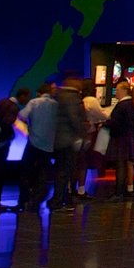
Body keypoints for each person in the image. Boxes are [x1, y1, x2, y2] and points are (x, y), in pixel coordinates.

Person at [0, 87, 29, 212]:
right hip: (3, 142)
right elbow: (7, 122)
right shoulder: (13, 108)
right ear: (22, 96)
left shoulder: (1, 102)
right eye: (27, 97)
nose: (27, 100)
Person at [53, 77, 88, 206]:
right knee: (66, 170)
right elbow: (74, 118)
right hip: (68, 139)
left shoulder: (58, 96)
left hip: (58, 139)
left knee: (60, 169)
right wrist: (83, 134)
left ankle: (60, 197)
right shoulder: (73, 98)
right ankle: (61, 198)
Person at [105, 85, 134, 198]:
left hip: (120, 138)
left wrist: (105, 123)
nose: (115, 92)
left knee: (120, 164)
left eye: (117, 90)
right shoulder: (132, 104)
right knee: (125, 163)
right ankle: (122, 190)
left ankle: (119, 191)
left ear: (124, 91)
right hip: (128, 137)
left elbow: (115, 122)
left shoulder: (122, 105)